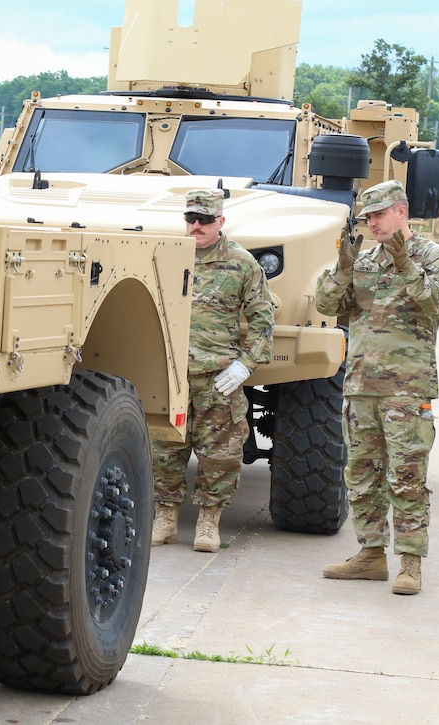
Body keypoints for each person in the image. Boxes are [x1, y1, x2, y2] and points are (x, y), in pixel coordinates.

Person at [316, 179, 439, 595]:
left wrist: (405, 265)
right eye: (367, 218)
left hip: (407, 391)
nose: (372, 224)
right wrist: (342, 268)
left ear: (401, 211)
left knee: (407, 476)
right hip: (361, 386)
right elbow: (327, 306)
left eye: (378, 215)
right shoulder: (366, 260)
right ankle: (371, 555)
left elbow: (436, 303)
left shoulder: (435, 257)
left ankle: (410, 563)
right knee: (360, 476)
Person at [151, 189, 275, 552]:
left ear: (220, 221)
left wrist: (245, 365)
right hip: (170, 376)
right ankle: (166, 518)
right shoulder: (166, 256)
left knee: (220, 456)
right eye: (191, 219)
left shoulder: (241, 263)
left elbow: (263, 320)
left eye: (205, 220)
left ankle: (208, 522)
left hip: (217, 380)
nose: (196, 226)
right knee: (164, 452)